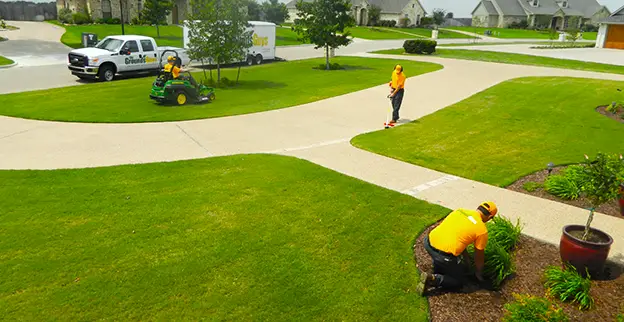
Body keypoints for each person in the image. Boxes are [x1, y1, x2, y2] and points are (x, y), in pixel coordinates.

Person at [417, 201, 498, 294]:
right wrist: (478, 273)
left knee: (448, 264)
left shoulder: (460, 211)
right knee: (458, 282)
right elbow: (479, 256)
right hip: (443, 256)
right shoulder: (481, 230)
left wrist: (467, 259)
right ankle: (433, 279)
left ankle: (439, 266)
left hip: (428, 242)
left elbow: (459, 237)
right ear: (489, 217)